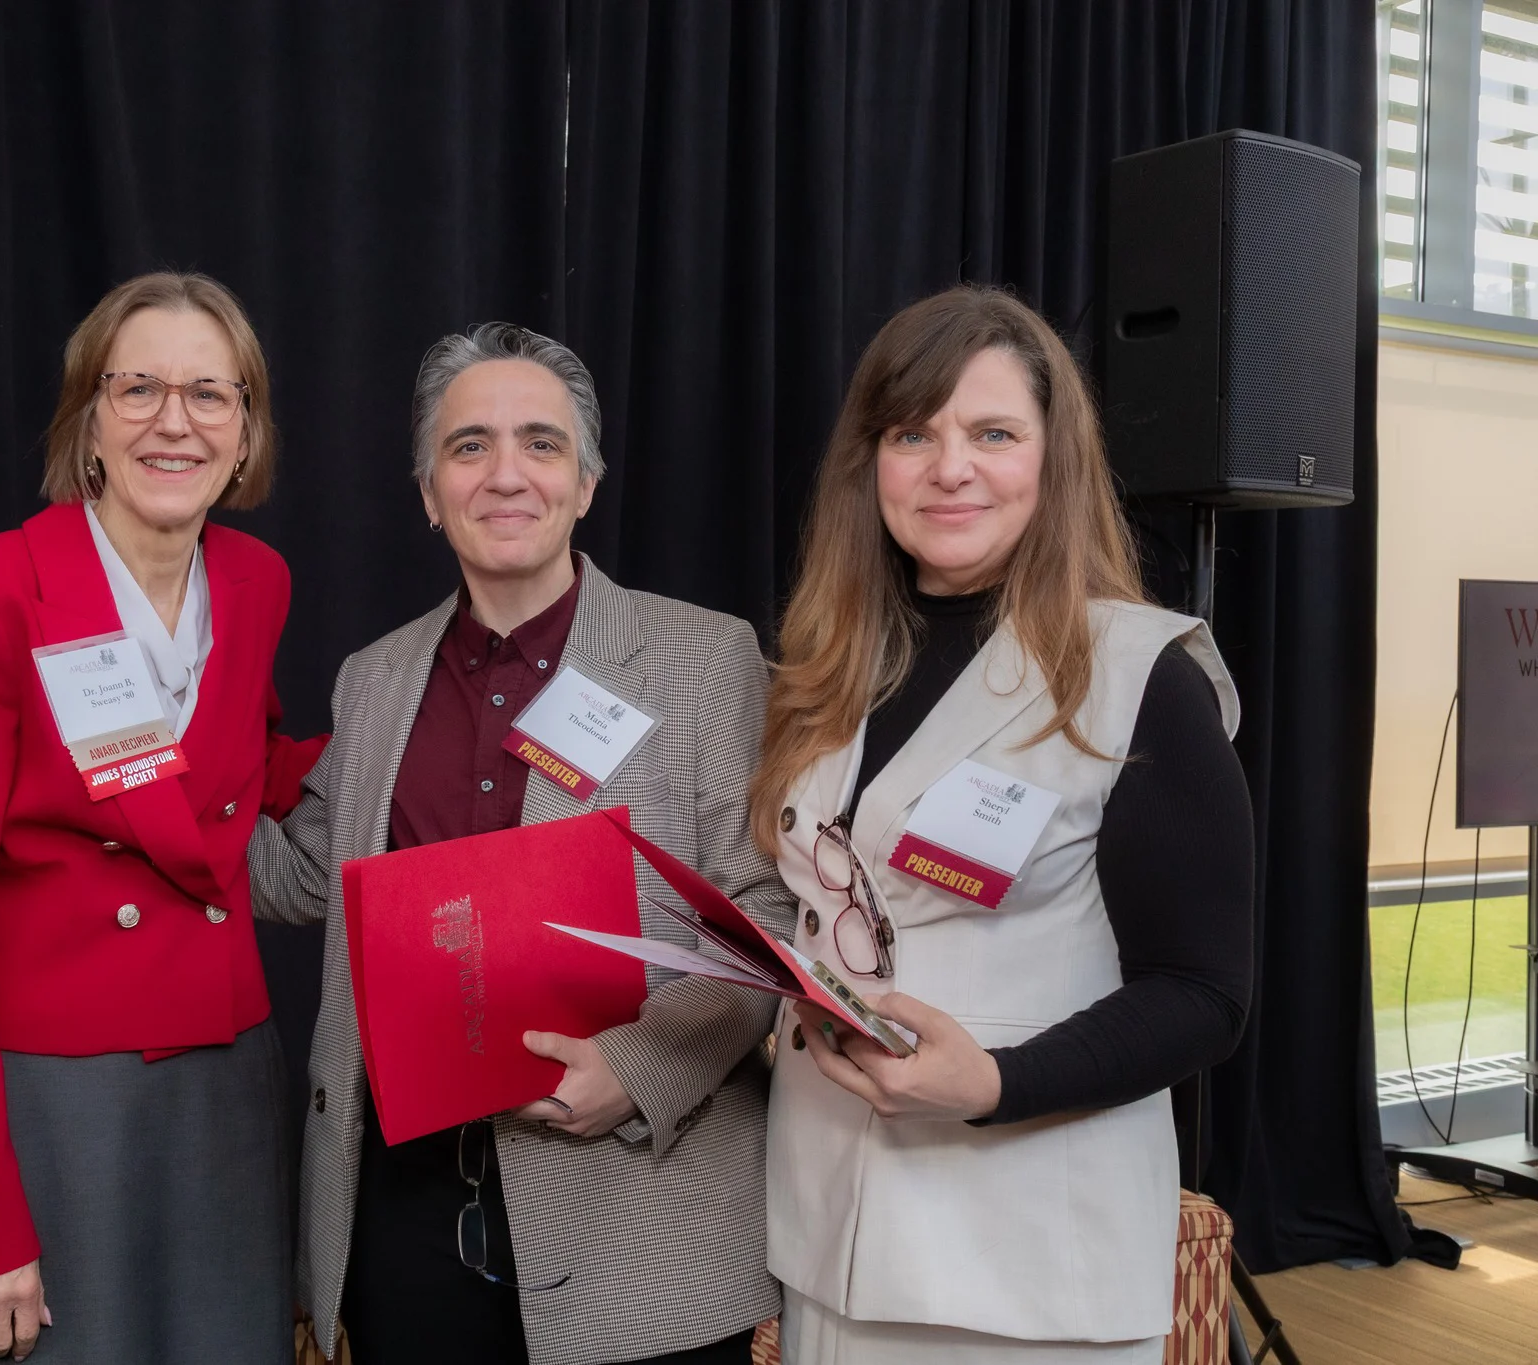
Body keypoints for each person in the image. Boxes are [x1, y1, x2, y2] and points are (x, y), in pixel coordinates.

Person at [249, 323, 792, 1365]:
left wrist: (635, 1070)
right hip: (405, 1211)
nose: (506, 474)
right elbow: (306, 868)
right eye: (468, 447)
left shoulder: (700, 657)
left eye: (540, 445)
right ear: (426, 491)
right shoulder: (374, 679)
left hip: (635, 1216)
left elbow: (763, 917)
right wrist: (145, 769)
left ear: (585, 484)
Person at [751, 284, 1255, 1364]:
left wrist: (994, 1083)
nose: (949, 468)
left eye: (991, 433)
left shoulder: (1136, 676)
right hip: (828, 1226)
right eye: (911, 434)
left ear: (1052, 457)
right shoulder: (824, 674)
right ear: (868, 462)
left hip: (1022, 1257)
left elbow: (1203, 996)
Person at [0, 271, 322, 1363]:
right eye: (138, 389)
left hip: (224, 1078)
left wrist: (416, 746)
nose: (173, 421)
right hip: (53, 1099)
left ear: (244, 433)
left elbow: (239, 770)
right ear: (89, 421)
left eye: (209, 395)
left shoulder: (257, 579)